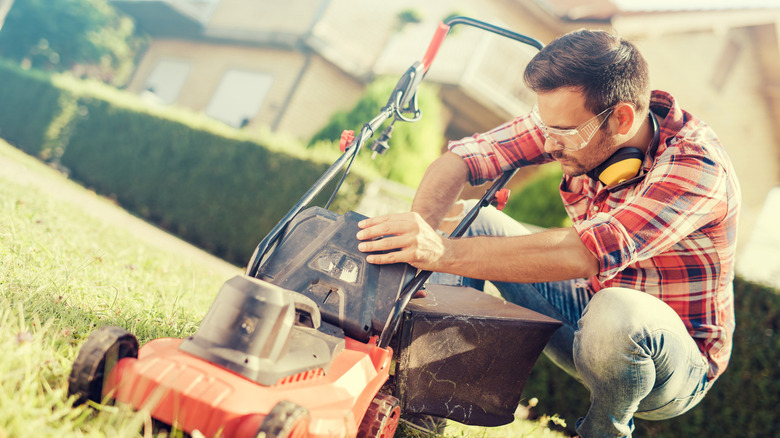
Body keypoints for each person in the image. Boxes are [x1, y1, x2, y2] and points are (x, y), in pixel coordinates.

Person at [355, 29, 741, 437]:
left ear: (622, 118)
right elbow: (461, 159)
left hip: (673, 368)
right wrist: (421, 238)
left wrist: (442, 254)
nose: (550, 143)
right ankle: (426, 409)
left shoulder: (697, 167)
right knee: (468, 219)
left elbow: (585, 252)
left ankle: (603, 431)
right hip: (586, 313)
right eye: (546, 126)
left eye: (563, 133)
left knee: (617, 311)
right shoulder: (575, 120)